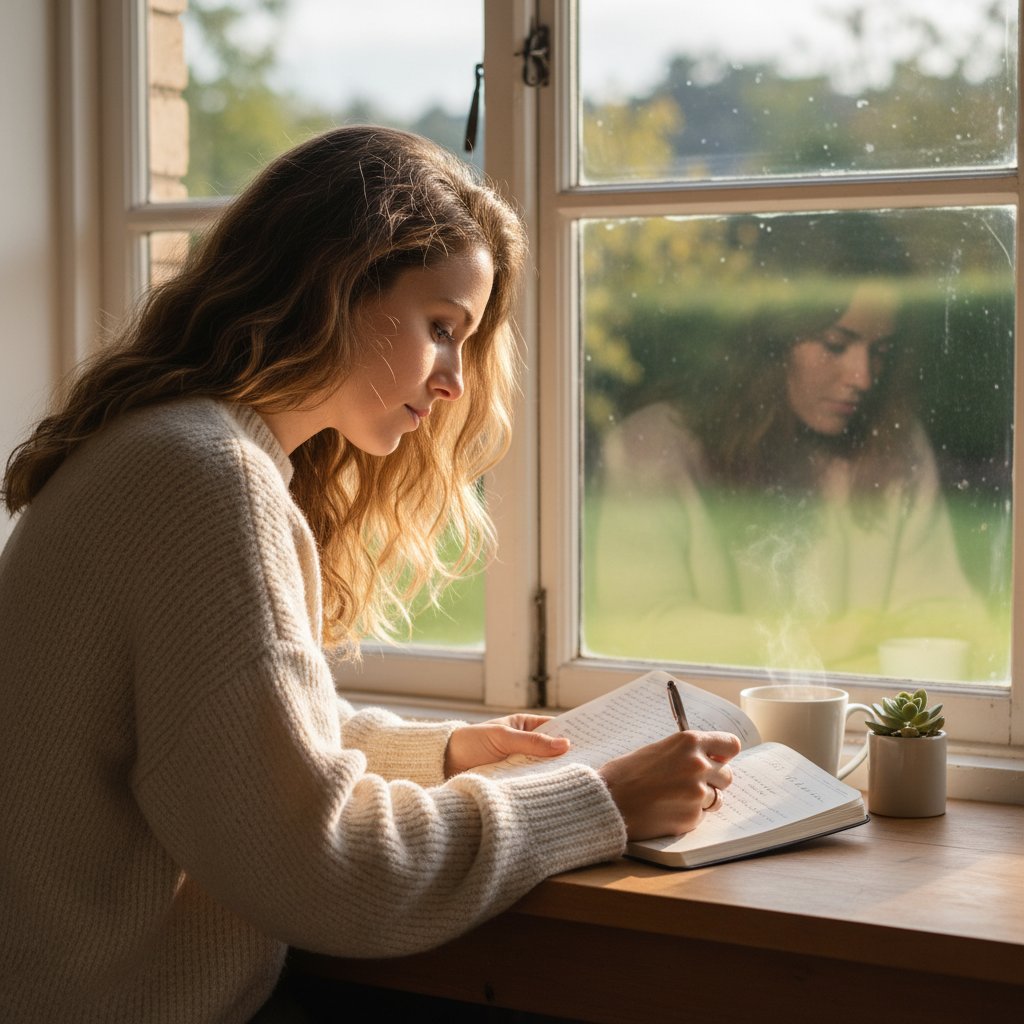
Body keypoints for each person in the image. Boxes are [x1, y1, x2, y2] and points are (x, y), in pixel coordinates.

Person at [0, 126, 739, 1023]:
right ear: (337, 285)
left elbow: (216, 744)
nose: (455, 383)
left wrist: (445, 753)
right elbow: (324, 871)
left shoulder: (175, 448)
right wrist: (600, 801)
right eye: (441, 328)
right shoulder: (206, 476)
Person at [588, 213, 994, 676]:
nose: (863, 377)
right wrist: (835, 639)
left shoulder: (895, 446)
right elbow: (641, 631)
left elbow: (942, 616)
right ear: (772, 337)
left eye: (880, 351)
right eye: (836, 344)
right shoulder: (652, 448)